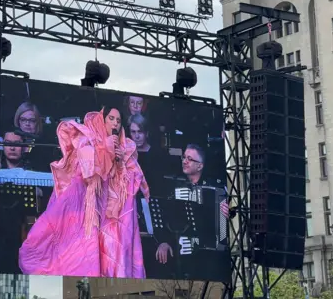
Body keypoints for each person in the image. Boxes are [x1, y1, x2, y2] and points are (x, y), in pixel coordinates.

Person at [18, 106, 151, 278]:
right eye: (111, 118)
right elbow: (86, 172)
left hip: (113, 218)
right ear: (102, 119)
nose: (115, 123)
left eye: (118, 120)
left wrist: (119, 163)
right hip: (85, 211)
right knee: (73, 253)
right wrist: (105, 150)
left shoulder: (125, 146)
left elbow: (132, 183)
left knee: (112, 258)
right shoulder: (86, 137)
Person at [154, 144, 229, 272]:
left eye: (190, 159)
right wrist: (164, 241)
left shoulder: (216, 188)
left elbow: (231, 218)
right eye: (184, 157)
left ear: (200, 166)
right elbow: (164, 218)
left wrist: (228, 213)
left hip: (210, 255)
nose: (185, 161)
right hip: (182, 251)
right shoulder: (175, 187)